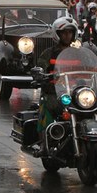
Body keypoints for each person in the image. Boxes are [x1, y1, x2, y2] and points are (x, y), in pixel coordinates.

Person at [36, 16, 79, 154]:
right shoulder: (49, 53)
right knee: (47, 107)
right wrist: (40, 75)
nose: (68, 35)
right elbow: (40, 68)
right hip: (54, 92)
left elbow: (88, 68)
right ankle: (44, 143)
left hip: (75, 92)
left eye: (70, 32)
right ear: (58, 34)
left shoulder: (77, 53)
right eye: (64, 32)